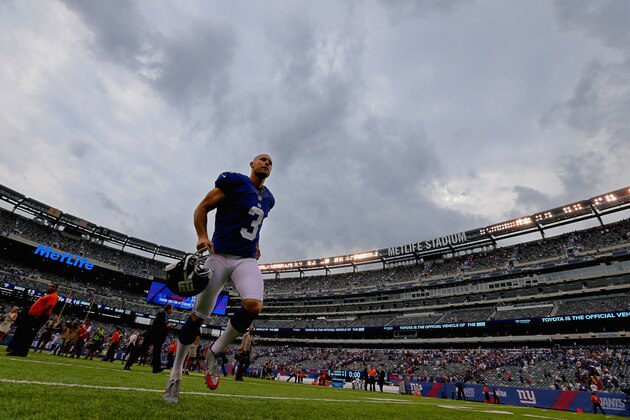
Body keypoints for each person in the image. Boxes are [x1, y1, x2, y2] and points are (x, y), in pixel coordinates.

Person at [164, 154, 275, 404]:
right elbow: (202, 207)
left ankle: (214, 350)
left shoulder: (269, 198)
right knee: (198, 316)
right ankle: (175, 375)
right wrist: (202, 235)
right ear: (252, 164)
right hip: (219, 255)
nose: (267, 163)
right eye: (262, 160)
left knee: (253, 305)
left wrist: (256, 244)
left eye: (270, 162)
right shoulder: (233, 181)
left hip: (245, 258)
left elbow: (252, 224)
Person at [6, 282, 58, 357]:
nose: (50, 287)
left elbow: (49, 306)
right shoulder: (48, 295)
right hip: (34, 316)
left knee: (28, 334)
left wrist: (39, 315)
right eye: (50, 286)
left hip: (38, 316)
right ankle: (17, 350)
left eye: (53, 287)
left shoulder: (53, 296)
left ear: (56, 288)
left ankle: (21, 352)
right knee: (25, 333)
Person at [125, 304, 173, 373]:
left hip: (159, 337)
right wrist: (166, 325)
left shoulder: (166, 316)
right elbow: (156, 324)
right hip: (152, 335)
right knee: (142, 349)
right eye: (172, 309)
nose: (172, 310)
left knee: (157, 352)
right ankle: (128, 364)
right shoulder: (160, 314)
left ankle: (156, 368)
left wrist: (167, 327)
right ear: (168, 309)